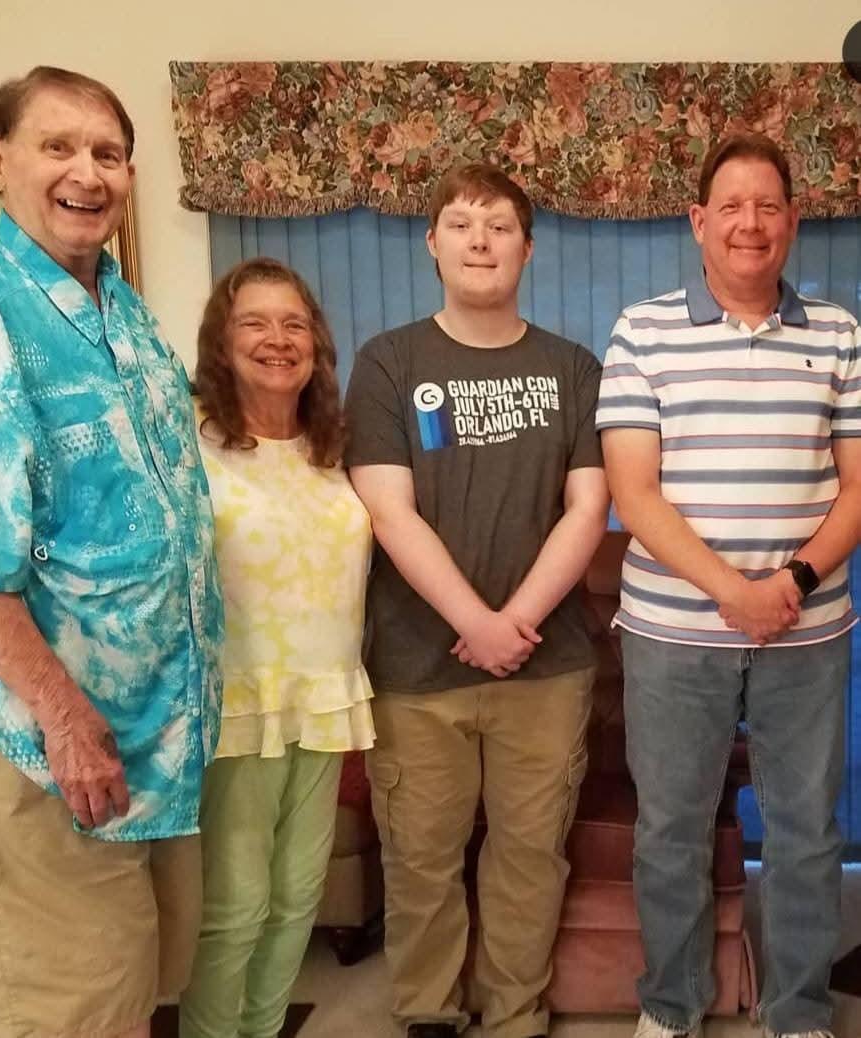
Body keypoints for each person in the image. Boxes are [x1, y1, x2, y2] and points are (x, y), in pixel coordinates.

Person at [0, 67, 224, 1038]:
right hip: (36, 746)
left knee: (127, 1001)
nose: (86, 171)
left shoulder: (119, 312)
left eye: (107, 153)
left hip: (141, 746)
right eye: (58, 146)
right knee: (72, 1018)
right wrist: (65, 719)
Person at [596, 133, 861, 1038]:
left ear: (792, 221)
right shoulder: (643, 329)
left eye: (770, 205)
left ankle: (798, 1013)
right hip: (672, 635)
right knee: (669, 829)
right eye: (732, 207)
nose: (752, 223)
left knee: (805, 833)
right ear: (700, 222)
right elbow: (634, 491)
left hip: (809, 629)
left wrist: (788, 580)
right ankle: (670, 1006)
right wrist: (733, 591)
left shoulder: (839, 334)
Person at [344, 162, 609, 1038]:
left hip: (549, 665)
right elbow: (389, 510)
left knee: (530, 857)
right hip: (420, 668)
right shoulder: (389, 362)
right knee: (421, 858)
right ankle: (427, 1010)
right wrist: (475, 625)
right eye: (460, 223)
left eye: (499, 226)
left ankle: (516, 1013)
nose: (481, 240)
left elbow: (588, 507)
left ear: (528, 248)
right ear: (432, 243)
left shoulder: (572, 367)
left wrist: (514, 625)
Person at [179, 258, 375, 1038]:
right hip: (238, 702)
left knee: (297, 902)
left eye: (294, 323)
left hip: (325, 698)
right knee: (234, 911)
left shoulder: (335, 448)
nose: (277, 339)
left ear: (318, 345)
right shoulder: (189, 444)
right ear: (221, 344)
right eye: (254, 322)